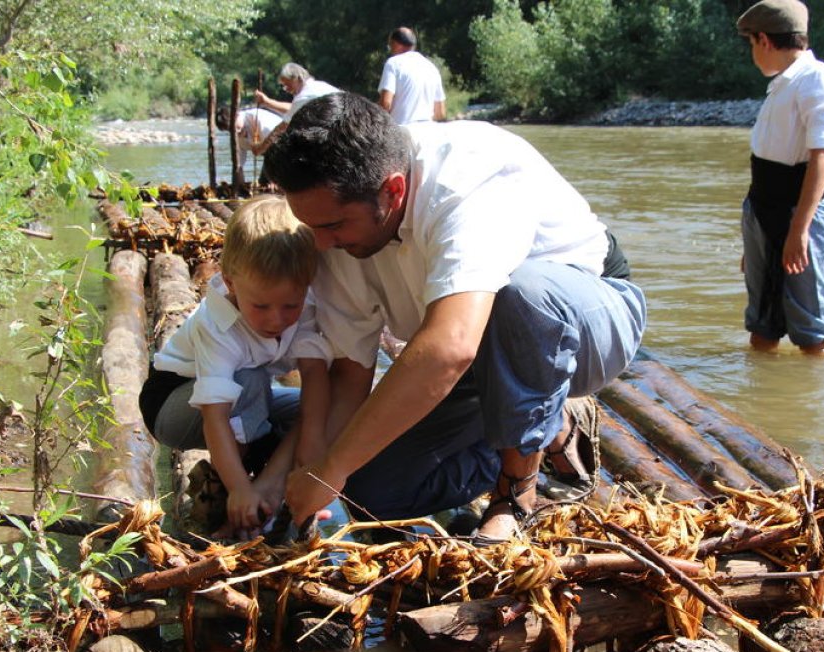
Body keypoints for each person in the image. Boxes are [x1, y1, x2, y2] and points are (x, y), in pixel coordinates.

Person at [267, 93, 646, 543]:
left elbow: (449, 349)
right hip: (477, 355)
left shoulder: (466, 178)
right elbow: (351, 370)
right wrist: (320, 475)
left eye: (333, 227)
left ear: (393, 190)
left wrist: (330, 470)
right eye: (312, 226)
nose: (322, 244)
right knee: (372, 491)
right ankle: (545, 425)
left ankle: (515, 492)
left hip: (587, 321)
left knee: (518, 293)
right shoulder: (336, 226)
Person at [138, 195, 331, 538]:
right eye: (261, 305)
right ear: (230, 283)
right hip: (172, 406)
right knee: (250, 380)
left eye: (290, 305)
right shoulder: (218, 326)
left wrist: (311, 464)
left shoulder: (304, 307)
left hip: (242, 402)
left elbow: (316, 381)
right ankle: (233, 497)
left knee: (321, 409)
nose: (277, 320)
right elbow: (215, 416)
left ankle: (282, 492)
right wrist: (239, 486)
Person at [735, 0, 824, 356]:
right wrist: (753, 242)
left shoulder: (817, 80)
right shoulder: (783, 83)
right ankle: (765, 399)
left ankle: (812, 405)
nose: (753, 53)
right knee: (762, 324)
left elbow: (823, 156)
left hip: (798, 211)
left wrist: (800, 230)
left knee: (810, 329)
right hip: (763, 207)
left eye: (752, 44)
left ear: (764, 40)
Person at [251, 63, 340, 158]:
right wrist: (267, 102)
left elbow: (282, 128)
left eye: (287, 85)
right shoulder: (320, 85)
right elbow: (292, 110)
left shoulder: (304, 97)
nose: (287, 90)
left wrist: (260, 148)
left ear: (297, 78)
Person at [378, 27, 445, 124]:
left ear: (395, 44)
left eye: (390, 46)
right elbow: (440, 113)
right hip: (429, 132)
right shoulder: (432, 68)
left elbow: (386, 104)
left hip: (402, 132)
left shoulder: (393, 63)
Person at [215, 105, 282, 184]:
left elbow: (277, 148)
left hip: (283, 150)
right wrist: (241, 188)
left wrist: (273, 181)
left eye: (234, 126)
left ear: (238, 114)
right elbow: (238, 165)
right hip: (268, 155)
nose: (235, 132)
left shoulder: (258, 120)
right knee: (263, 184)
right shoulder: (236, 137)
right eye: (229, 130)